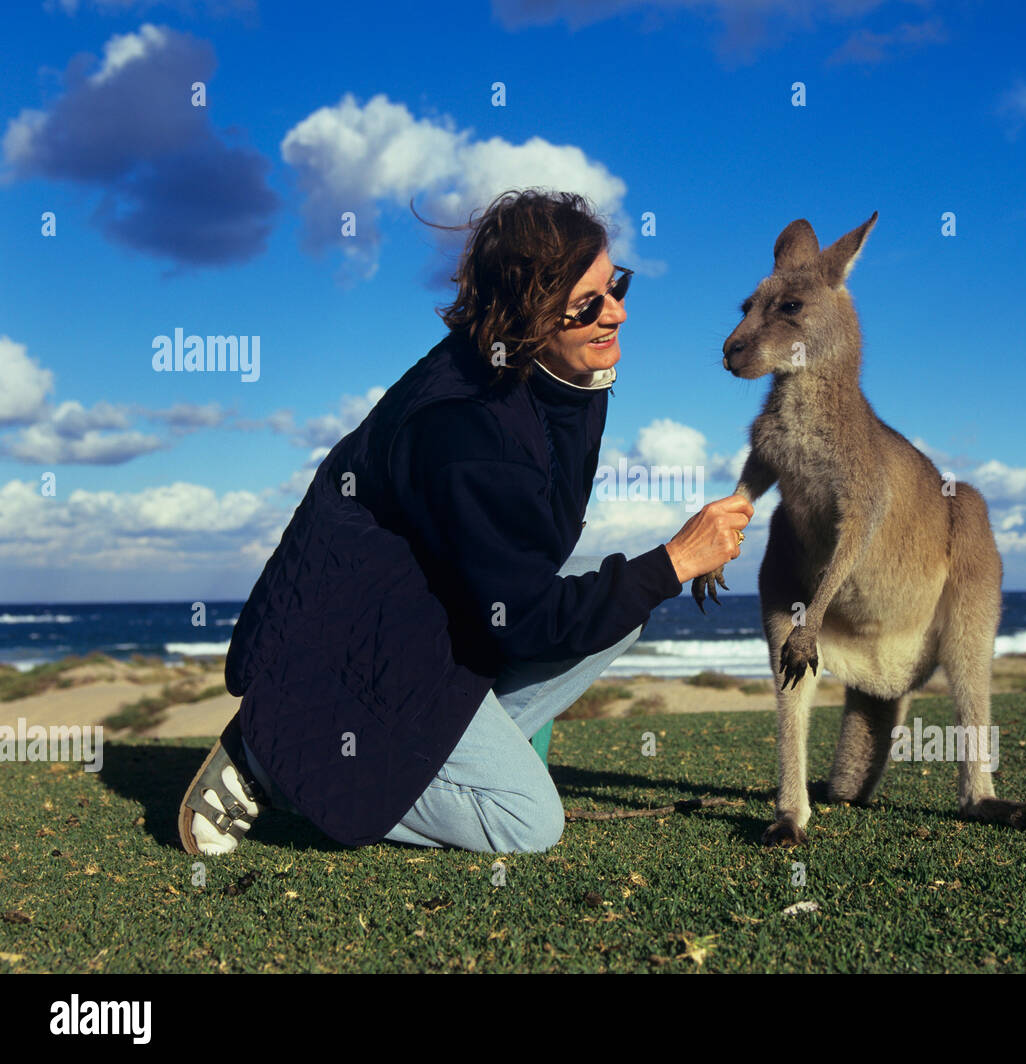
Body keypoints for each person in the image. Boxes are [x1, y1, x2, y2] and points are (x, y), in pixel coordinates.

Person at [179, 188, 753, 856]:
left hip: (428, 620)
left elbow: (529, 561)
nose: (617, 312)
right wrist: (676, 560)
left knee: (624, 610)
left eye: (616, 285)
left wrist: (660, 570)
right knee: (528, 822)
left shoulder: (552, 377)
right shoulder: (465, 427)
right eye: (588, 304)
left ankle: (405, 760)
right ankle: (277, 759)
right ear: (529, 313)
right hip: (350, 644)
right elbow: (525, 614)